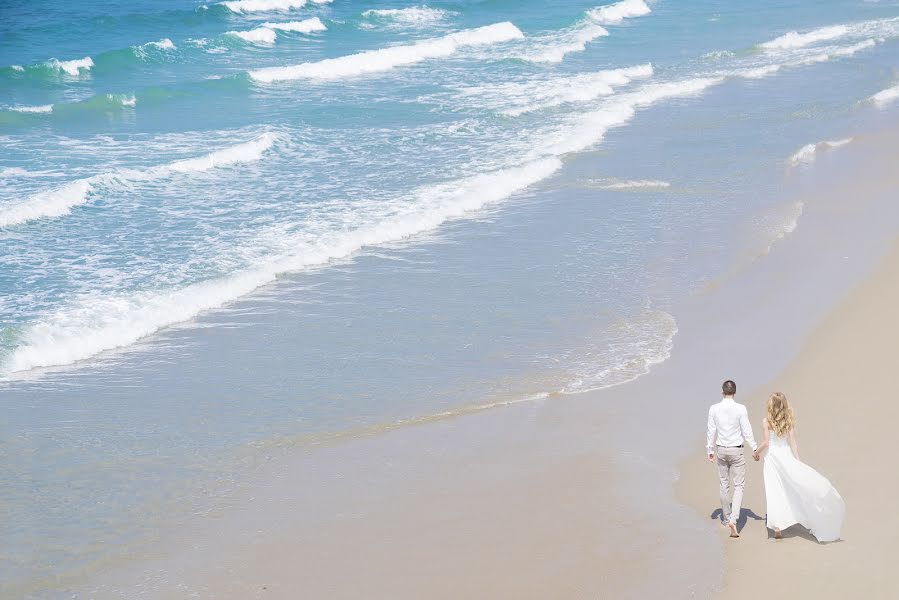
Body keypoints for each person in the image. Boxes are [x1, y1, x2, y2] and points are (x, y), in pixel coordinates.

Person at [752, 392, 844, 542]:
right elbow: (793, 443)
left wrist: (755, 453)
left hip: (773, 459)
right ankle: (792, 518)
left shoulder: (766, 421)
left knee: (774, 490)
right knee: (790, 488)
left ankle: (777, 527)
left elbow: (766, 442)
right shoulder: (788, 421)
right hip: (786, 455)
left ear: (770, 406)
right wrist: (799, 463)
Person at [707, 379, 758, 538]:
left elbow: (711, 430)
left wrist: (709, 449)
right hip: (736, 451)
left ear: (722, 392)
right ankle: (733, 520)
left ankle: (726, 517)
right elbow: (747, 430)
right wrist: (754, 447)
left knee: (724, 484)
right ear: (734, 393)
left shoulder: (714, 408)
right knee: (739, 486)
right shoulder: (740, 409)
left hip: (721, 450)